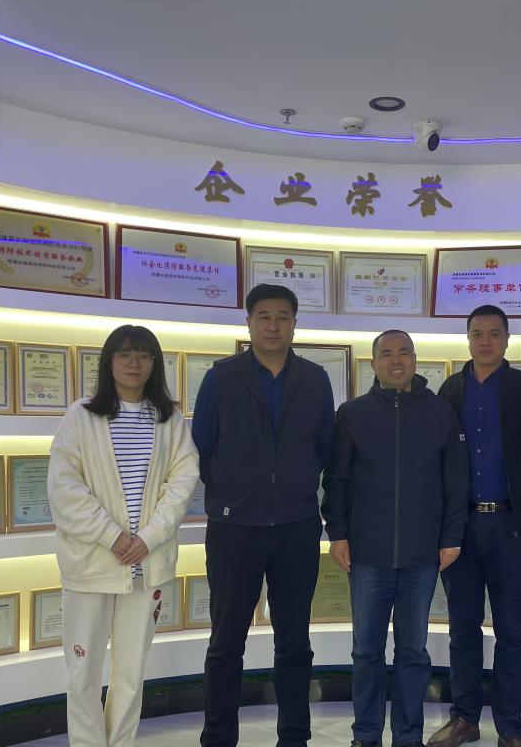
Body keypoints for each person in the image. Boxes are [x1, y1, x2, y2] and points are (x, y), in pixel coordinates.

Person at [192, 283, 335, 747]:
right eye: (264, 317)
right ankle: (218, 738)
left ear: (294, 324)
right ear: (249, 323)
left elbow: (324, 446)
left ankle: (294, 737)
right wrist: (235, 490)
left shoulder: (315, 378)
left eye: (282, 317)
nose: (273, 326)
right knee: (225, 642)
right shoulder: (222, 376)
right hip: (234, 527)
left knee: (294, 643)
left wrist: (291, 486)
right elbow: (203, 444)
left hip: (296, 527)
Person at [48, 324, 199, 747]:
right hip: (93, 564)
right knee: (83, 673)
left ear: (155, 364)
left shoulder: (169, 419)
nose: (135, 363)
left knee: (131, 673)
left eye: (144, 355)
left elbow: (182, 482)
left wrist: (147, 538)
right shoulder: (81, 416)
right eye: (125, 354)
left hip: (145, 566)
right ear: (109, 361)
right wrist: (111, 536)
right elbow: (64, 487)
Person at [322, 329, 469, 747]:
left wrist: (452, 537)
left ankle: (407, 736)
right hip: (367, 554)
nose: (396, 360)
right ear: (374, 364)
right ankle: (366, 735)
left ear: (416, 359)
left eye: (404, 352)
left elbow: (456, 481)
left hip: (422, 555)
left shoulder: (440, 413)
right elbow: (336, 480)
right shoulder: (353, 413)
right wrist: (338, 533)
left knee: (413, 652)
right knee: (366, 651)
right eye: (386, 354)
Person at [431, 304, 521, 747]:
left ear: (506, 339)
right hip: (461, 529)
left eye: (494, 333)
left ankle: (511, 728)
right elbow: (437, 462)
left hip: (512, 527)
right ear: (468, 339)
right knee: (462, 629)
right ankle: (464, 719)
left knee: (512, 632)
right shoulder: (451, 389)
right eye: (477, 333)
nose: (485, 341)